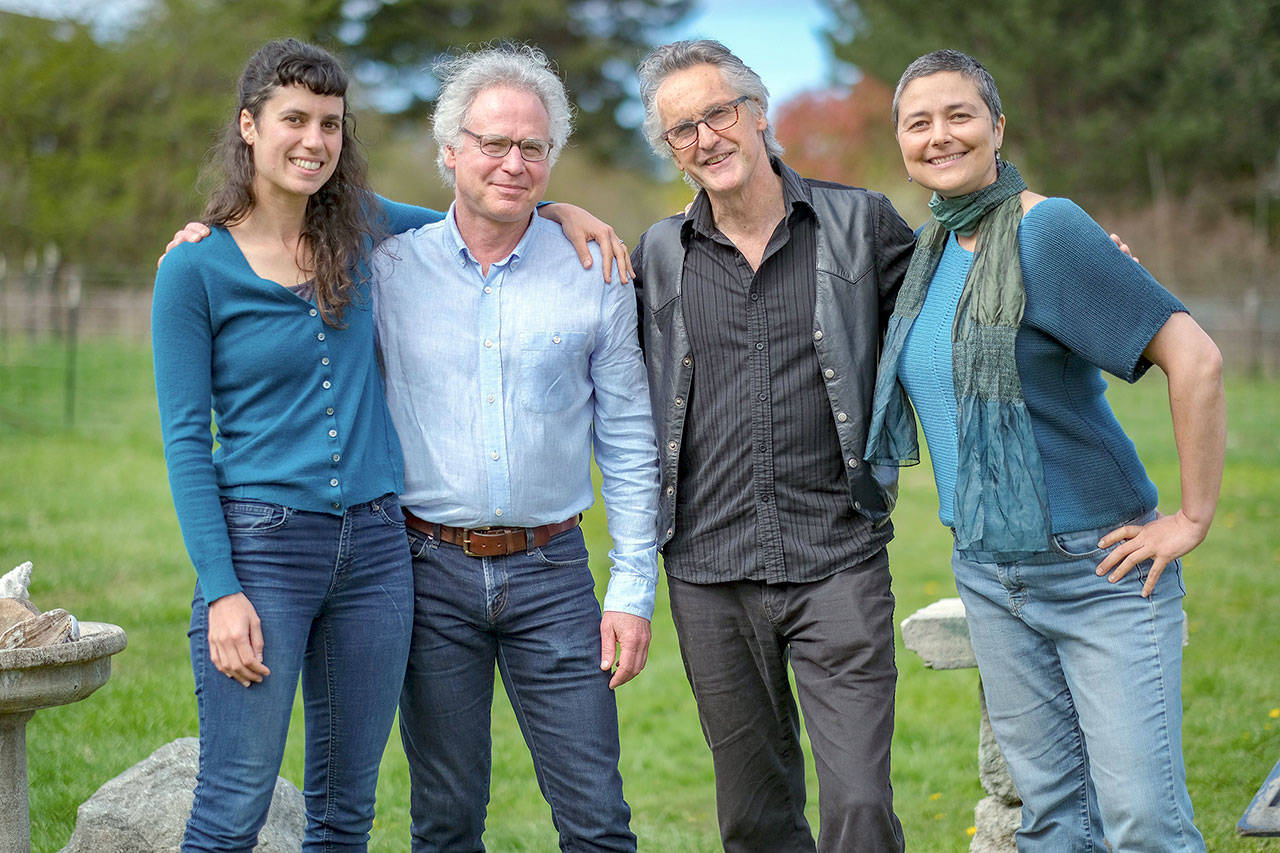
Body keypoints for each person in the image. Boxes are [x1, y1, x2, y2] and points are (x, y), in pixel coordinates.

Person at [152, 39, 632, 852]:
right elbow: (185, 441)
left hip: (378, 553)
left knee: (347, 809)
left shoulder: (363, 229)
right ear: (248, 126)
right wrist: (221, 586)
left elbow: (478, 216)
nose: (314, 140)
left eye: (331, 124)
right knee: (234, 802)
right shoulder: (195, 268)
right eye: (293, 120)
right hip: (264, 549)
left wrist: (559, 211)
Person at [866, 49, 1224, 852]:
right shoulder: (928, 253)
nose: (939, 135)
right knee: (1054, 822)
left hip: (1099, 570)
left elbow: (1196, 358)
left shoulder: (1048, 228)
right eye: (917, 122)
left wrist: (1192, 516)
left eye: (959, 114)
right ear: (901, 141)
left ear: (997, 126)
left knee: (1143, 824)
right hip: (990, 572)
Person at [369, 44, 659, 851]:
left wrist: (632, 587)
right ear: (451, 151)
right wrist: (210, 230)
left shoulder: (595, 271)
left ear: (551, 160)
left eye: (533, 147)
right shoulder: (390, 270)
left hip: (554, 575)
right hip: (426, 572)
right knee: (446, 820)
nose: (513, 161)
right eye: (493, 142)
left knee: (598, 821)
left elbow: (629, 436)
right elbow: (290, 216)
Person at [630, 39, 914, 853]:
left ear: (759, 116)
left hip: (838, 557)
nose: (705, 139)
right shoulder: (657, 253)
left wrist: (1033, 217)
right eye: (681, 130)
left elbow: (959, 289)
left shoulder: (861, 225)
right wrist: (559, 210)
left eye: (718, 113)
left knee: (859, 806)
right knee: (753, 818)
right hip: (709, 572)